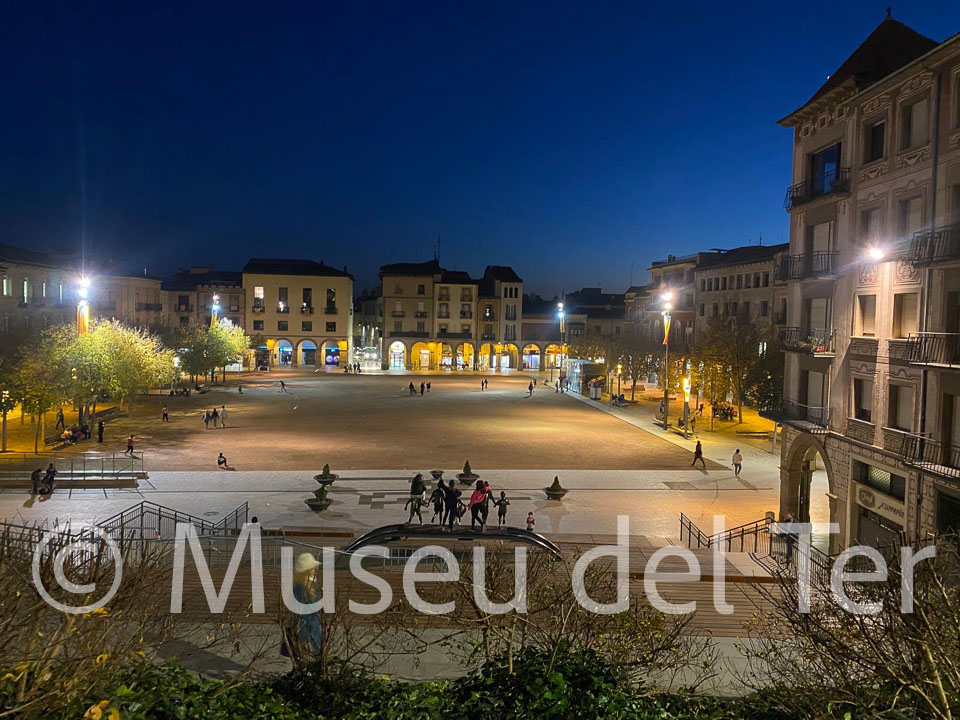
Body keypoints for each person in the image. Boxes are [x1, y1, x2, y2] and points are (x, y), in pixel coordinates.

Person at [282, 553, 323, 659]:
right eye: (313, 567)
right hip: (307, 630)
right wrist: (304, 638)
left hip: (313, 628)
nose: (315, 569)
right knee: (306, 658)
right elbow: (300, 614)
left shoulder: (309, 584)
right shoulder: (301, 588)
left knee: (310, 658)